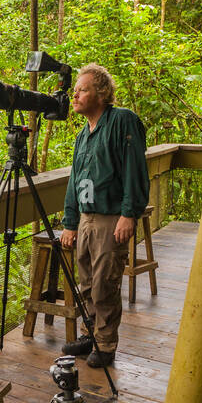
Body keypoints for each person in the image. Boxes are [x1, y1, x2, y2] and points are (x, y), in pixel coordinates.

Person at [59, 64, 149, 368]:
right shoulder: (83, 135)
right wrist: (70, 222)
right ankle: (90, 335)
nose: (75, 95)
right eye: (76, 90)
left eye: (82, 89)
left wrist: (129, 214)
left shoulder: (122, 121)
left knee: (104, 284)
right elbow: (74, 180)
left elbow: (135, 169)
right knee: (85, 283)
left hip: (111, 217)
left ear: (101, 93)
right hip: (85, 218)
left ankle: (106, 344)